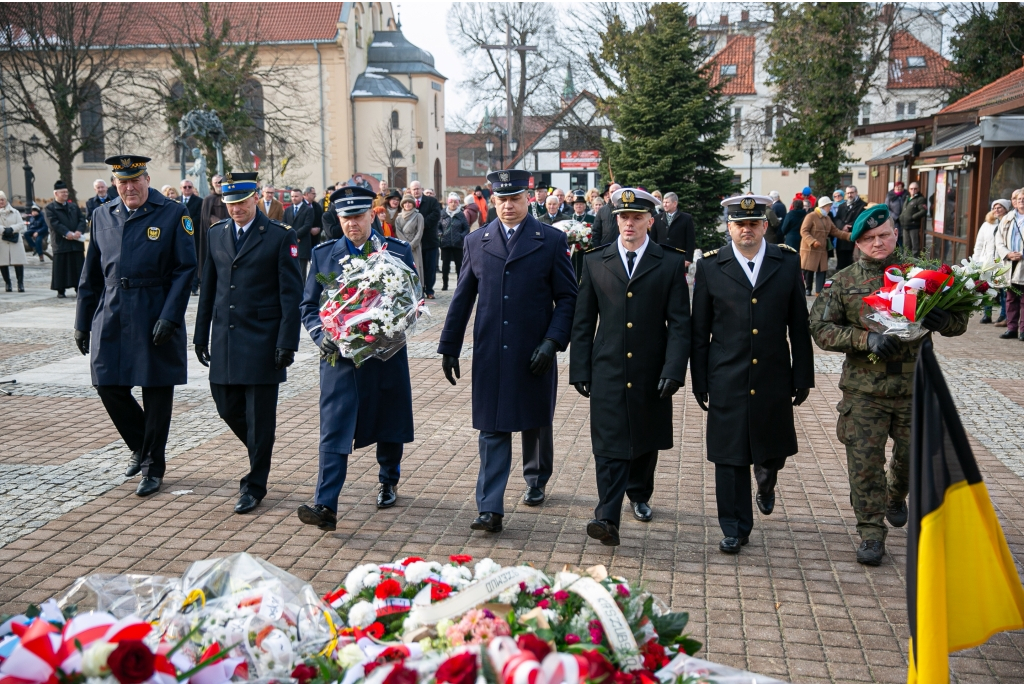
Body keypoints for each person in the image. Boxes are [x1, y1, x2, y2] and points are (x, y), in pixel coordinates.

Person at [809, 205, 968, 565]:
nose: (877, 243)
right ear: (859, 243)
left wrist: (945, 319)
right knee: (865, 464)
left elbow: (960, 323)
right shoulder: (844, 281)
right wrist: (866, 340)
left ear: (896, 233)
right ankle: (870, 532)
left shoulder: (922, 274)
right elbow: (820, 329)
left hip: (916, 387)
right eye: (868, 238)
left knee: (912, 459)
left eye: (883, 235)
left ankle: (896, 495)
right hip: (865, 392)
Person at [438, 169, 578, 533]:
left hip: (535, 350)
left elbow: (567, 297)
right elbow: (462, 297)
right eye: (502, 200)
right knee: (492, 428)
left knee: (534, 422)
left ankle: (535, 478)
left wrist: (553, 342)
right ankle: (490, 508)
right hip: (491, 353)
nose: (508, 206)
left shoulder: (549, 240)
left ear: (527, 199)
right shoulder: (476, 241)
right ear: (493, 201)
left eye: (515, 199)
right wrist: (449, 346)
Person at [691, 194, 814, 555]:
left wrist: (802, 375)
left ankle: (766, 480)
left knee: (771, 448)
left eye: (753, 223)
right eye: (739, 224)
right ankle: (734, 527)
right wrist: (699, 380)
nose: (746, 229)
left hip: (773, 373)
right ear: (729, 227)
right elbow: (700, 331)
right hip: (726, 374)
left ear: (765, 225)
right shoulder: (712, 267)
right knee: (729, 455)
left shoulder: (786, 263)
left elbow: (798, 324)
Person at [570, 188, 690, 546]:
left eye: (638, 217)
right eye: (624, 217)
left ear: (650, 221)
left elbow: (680, 323)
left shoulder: (668, 262)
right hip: (606, 367)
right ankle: (606, 516)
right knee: (608, 444)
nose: (629, 223)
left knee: (643, 440)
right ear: (616, 220)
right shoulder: (595, 261)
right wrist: (580, 369)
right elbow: (583, 320)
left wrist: (673, 370)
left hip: (650, 370)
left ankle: (639, 494)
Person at [74, 154, 197, 497]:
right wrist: (83, 322)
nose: (129, 188)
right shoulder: (102, 214)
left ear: (146, 179)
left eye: (135, 180)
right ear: (115, 184)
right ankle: (142, 447)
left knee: (156, 389)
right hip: (112, 309)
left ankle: (152, 466)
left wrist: (171, 316)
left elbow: (186, 269)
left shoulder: (173, 213)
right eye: (122, 182)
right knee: (107, 383)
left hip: (154, 307)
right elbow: (92, 274)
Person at [296, 186, 417, 530]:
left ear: (372, 216)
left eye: (359, 217)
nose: (353, 225)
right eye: (346, 218)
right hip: (339, 357)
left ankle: (388, 478)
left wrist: (389, 325)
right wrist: (322, 336)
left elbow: (410, 300)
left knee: (389, 418)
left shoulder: (394, 251)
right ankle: (325, 505)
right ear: (338, 219)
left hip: (385, 353)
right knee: (334, 425)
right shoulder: (323, 258)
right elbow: (311, 304)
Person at [193, 172, 303, 514]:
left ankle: (254, 484)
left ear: (255, 199)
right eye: (230, 204)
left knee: (260, 418)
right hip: (225, 336)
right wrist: (200, 335)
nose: (236, 209)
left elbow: (291, 294)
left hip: (263, 340)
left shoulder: (278, 236)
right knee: (226, 406)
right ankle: (261, 449)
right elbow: (207, 287)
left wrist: (287, 342)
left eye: (241, 202)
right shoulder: (215, 234)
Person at [800, 196, 851, 295]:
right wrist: (812, 241)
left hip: (822, 249)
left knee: (821, 271)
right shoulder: (811, 216)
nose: (830, 208)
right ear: (823, 206)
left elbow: (836, 231)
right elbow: (804, 231)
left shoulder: (827, 218)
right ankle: (808, 289)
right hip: (810, 249)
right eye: (829, 206)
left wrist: (849, 236)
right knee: (809, 270)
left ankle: (819, 291)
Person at [45, 180, 87, 299]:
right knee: (61, 268)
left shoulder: (73, 206)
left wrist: (79, 231)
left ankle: (78, 288)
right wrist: (66, 233)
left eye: (66, 192)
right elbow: (53, 223)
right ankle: (60, 290)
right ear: (56, 193)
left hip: (76, 242)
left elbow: (81, 219)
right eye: (62, 192)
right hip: (61, 243)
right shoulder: (50, 208)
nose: (65, 194)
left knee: (77, 266)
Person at [975, 199, 1011, 324]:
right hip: (987, 261)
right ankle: (987, 314)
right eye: (994, 207)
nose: (996, 210)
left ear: (1006, 209)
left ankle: (1003, 315)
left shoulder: (1009, 224)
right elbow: (979, 244)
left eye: (999, 207)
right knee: (987, 289)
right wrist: (977, 260)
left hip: (1001, 263)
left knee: (1003, 291)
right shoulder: (987, 224)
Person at [996, 188, 1024, 340]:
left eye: (1023, 199)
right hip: (1009, 262)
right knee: (1011, 297)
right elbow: (999, 240)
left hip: (1023, 262)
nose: (1021, 202)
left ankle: (1023, 330)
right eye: (1019, 199)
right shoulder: (1008, 218)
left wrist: (1022, 254)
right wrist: (1007, 253)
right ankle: (1012, 328)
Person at [410, 180, 440, 300]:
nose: (416, 191)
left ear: (421, 189)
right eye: (414, 189)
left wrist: (421, 224)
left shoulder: (431, 201)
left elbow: (436, 215)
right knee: (417, 266)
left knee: (430, 267)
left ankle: (429, 290)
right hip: (415, 242)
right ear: (410, 190)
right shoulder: (409, 202)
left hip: (429, 240)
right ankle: (419, 289)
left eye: (418, 188)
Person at [198, 174, 229, 294]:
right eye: (216, 183)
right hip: (215, 236)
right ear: (212, 184)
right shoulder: (208, 199)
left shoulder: (228, 197)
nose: (219, 185)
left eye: (221, 182)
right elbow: (206, 218)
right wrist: (220, 223)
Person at [652, 192, 696, 266]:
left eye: (667, 202)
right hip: (660, 257)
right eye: (663, 202)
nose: (664, 205)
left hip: (679, 258)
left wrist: (688, 258)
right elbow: (653, 239)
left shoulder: (686, 218)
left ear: (675, 203)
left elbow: (690, 239)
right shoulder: (657, 218)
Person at [439, 192, 470, 290]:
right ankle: (445, 284)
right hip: (445, 243)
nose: (453, 204)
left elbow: (466, 228)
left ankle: (459, 284)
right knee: (445, 266)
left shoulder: (461, 214)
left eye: (455, 202)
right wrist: (440, 234)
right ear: (448, 202)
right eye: (450, 201)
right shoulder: (443, 213)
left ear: (458, 203)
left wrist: (461, 236)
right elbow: (438, 227)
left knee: (459, 265)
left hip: (458, 244)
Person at [284, 188, 316, 278]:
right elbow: (284, 224)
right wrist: (291, 236)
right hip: (290, 243)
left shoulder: (308, 210)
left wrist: (295, 235)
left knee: (301, 271)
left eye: (296, 196)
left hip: (302, 243)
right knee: (290, 269)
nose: (294, 198)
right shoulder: (288, 210)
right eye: (292, 196)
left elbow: (307, 225)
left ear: (302, 197)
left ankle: (302, 290)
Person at [0, 191, 26, 292]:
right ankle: (8, 283)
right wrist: (3, 230)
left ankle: (20, 284)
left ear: (6, 200)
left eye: (2, 199)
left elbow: (21, 224)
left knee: (18, 262)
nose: (1, 202)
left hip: (15, 240)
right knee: (2, 263)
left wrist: (11, 229)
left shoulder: (15, 212)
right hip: (1, 240)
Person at [835, 185, 865, 269]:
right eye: (847, 193)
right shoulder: (842, 206)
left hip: (854, 238)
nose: (849, 195)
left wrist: (849, 227)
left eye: (851, 193)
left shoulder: (863, 206)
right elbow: (836, 219)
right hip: (842, 239)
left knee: (852, 265)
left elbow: (861, 219)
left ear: (856, 193)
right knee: (841, 264)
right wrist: (842, 226)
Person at [394, 193, 424, 274]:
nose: (407, 204)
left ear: (413, 204)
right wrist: (406, 245)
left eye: (409, 202)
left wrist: (412, 245)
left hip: (415, 245)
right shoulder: (398, 217)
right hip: (403, 246)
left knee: (416, 266)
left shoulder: (418, 216)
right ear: (402, 204)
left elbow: (419, 232)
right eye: (405, 202)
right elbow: (398, 232)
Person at [898, 181, 927, 256]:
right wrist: (901, 217)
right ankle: (905, 263)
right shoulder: (908, 198)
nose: (913, 190)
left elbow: (923, 211)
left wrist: (913, 217)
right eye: (911, 189)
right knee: (906, 246)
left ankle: (915, 263)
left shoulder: (920, 199)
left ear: (918, 189)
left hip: (913, 226)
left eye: (915, 189)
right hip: (905, 225)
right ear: (909, 189)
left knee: (915, 246)